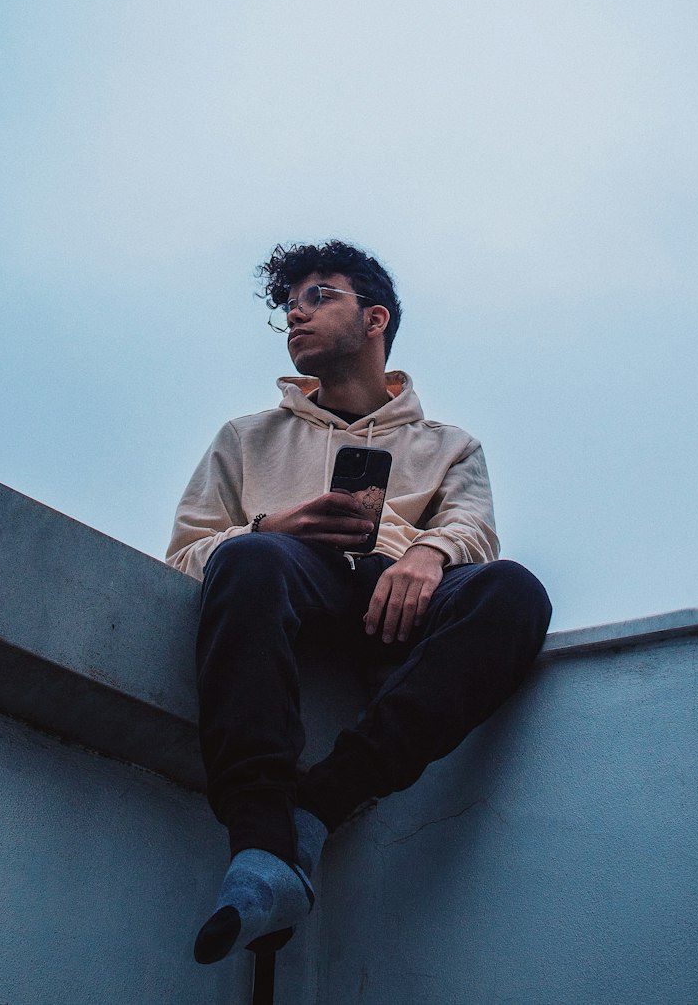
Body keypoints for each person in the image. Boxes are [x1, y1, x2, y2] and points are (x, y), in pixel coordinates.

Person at [166, 240, 552, 965]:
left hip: (398, 592)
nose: (295, 317)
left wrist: (427, 554)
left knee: (515, 593)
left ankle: (320, 807)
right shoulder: (244, 438)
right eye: (289, 305)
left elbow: (474, 531)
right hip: (287, 575)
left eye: (318, 297)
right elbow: (187, 554)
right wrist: (272, 528)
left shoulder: (449, 444)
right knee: (246, 557)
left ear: (374, 319)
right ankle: (258, 840)